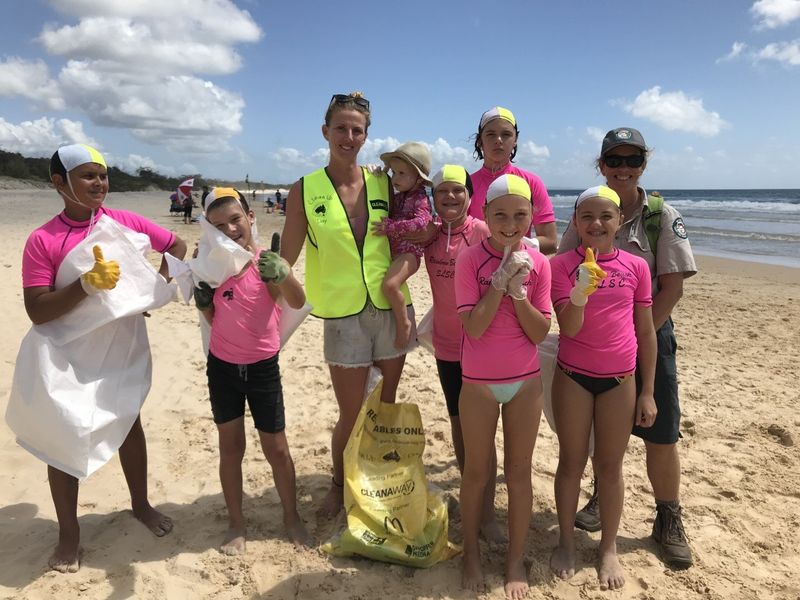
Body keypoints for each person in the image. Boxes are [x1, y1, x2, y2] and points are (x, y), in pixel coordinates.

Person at [16, 143, 187, 572]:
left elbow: (178, 248)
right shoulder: (43, 239)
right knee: (64, 437)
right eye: (88, 175)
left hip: (119, 345)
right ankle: (69, 533)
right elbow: (37, 309)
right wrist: (85, 286)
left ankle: (141, 504)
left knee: (129, 422)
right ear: (60, 183)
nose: (100, 183)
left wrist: (146, 290)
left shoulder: (124, 222)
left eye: (104, 175)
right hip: (65, 353)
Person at [558, 127, 697, 569]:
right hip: (587, 352)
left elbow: (671, 289)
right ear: (601, 165)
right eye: (613, 160)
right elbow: (560, 269)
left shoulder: (660, 216)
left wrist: (635, 345)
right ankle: (597, 502)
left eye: (631, 160)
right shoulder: (584, 214)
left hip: (647, 335)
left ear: (643, 164)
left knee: (660, 433)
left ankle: (667, 516)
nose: (622, 168)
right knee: (592, 444)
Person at [280, 92, 415, 518]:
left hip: (391, 308)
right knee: (352, 413)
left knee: (387, 406)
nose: (349, 136)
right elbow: (285, 259)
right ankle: (339, 485)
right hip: (341, 314)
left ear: (366, 136)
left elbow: (418, 220)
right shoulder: (305, 189)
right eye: (341, 128)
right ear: (326, 132)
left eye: (357, 130)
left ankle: (375, 478)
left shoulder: (383, 182)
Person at [549, 185, 657, 590]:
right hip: (573, 375)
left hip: (620, 380)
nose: (596, 224)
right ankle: (566, 542)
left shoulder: (636, 266)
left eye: (606, 216)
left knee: (610, 468)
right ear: (575, 222)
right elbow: (569, 328)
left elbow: (645, 331)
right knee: (571, 462)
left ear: (620, 222)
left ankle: (608, 547)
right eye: (587, 217)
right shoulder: (560, 266)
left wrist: (647, 391)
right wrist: (579, 292)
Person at [194, 188, 313, 555]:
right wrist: (202, 304)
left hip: (262, 369)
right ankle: (236, 523)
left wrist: (284, 273)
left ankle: (291, 517)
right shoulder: (211, 266)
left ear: (251, 217)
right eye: (219, 225)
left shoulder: (266, 262)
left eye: (236, 219)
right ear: (209, 230)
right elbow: (216, 318)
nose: (230, 229)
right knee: (231, 448)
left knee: (276, 448)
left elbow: (297, 301)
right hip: (222, 369)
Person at [455, 174, 551, 598]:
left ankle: (515, 560)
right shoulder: (469, 259)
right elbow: (473, 328)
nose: (510, 224)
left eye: (519, 215)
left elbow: (539, 331)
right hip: (477, 384)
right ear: (485, 216)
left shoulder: (540, 263)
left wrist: (519, 293)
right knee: (477, 472)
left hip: (525, 384)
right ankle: (470, 554)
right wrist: (497, 282)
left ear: (532, 217)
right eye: (500, 215)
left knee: (519, 473)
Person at [422, 165, 508, 542]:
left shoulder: (484, 232)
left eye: (459, 191)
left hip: (481, 344)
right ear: (434, 197)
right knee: (459, 426)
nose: (451, 198)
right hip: (446, 346)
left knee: (484, 433)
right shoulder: (430, 236)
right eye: (443, 192)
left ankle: (488, 515)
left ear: (470, 195)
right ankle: (473, 496)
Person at [469, 106, 558, 253]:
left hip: (518, 267)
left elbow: (550, 241)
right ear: (480, 141)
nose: (498, 140)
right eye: (491, 134)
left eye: (506, 134)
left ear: (515, 140)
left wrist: (511, 243)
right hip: (474, 269)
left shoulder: (532, 182)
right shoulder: (466, 186)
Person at [372, 141, 432, 348]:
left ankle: (404, 323)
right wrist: (377, 175)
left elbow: (421, 222)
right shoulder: (398, 196)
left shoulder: (420, 198)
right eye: (394, 172)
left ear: (418, 179)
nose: (395, 178)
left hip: (410, 254)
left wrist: (391, 227)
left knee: (389, 285)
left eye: (402, 173)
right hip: (395, 253)